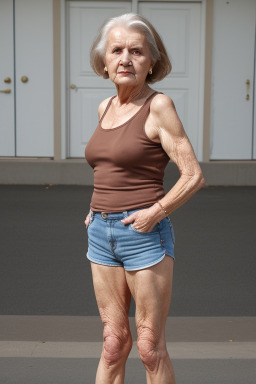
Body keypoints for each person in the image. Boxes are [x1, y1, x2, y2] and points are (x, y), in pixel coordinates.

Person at [84, 13, 205, 384]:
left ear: (152, 61)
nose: (125, 59)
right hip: (100, 234)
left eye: (136, 51)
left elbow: (193, 174)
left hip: (143, 234)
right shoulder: (105, 108)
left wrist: (156, 212)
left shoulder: (159, 107)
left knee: (150, 347)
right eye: (116, 50)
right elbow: (107, 166)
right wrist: (92, 208)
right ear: (103, 62)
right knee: (113, 342)